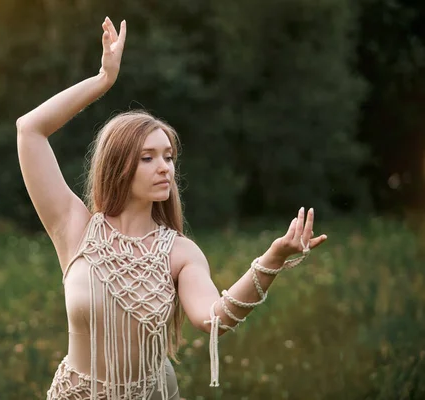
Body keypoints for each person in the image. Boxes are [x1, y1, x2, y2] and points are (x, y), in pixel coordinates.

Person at [16, 16, 328, 400]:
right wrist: (103, 80)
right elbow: (29, 129)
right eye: (148, 157)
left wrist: (273, 258)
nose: (165, 166)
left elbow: (215, 318)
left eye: (168, 156)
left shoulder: (179, 252)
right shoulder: (75, 228)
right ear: (118, 165)